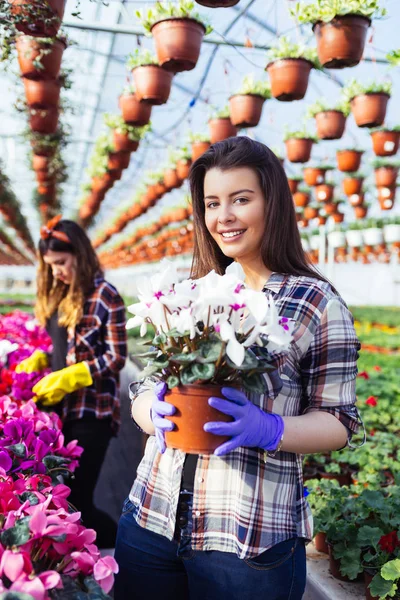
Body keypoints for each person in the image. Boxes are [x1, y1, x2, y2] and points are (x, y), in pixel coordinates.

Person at [114, 137, 361, 599]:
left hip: (247, 539)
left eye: (240, 199)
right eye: (212, 203)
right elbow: (146, 385)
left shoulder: (315, 303)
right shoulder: (194, 291)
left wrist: (268, 429)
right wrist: (151, 411)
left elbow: (338, 423)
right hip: (151, 517)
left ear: (273, 205)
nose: (223, 216)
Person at [17, 216, 127, 549]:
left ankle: (123, 547)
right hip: (62, 411)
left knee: (78, 499)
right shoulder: (62, 295)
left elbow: (116, 356)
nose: (57, 272)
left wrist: (76, 374)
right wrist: (43, 358)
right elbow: (60, 347)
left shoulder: (105, 295)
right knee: (64, 494)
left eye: (61, 263)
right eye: (51, 266)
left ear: (80, 254)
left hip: (93, 413)